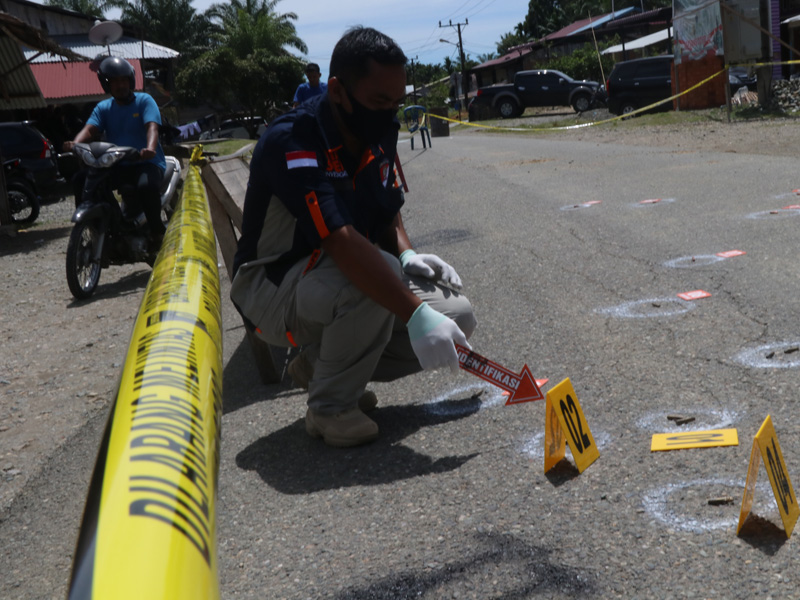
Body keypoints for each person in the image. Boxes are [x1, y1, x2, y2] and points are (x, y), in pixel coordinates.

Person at [230, 26, 477, 448]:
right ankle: (329, 409)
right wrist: (415, 313)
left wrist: (406, 253)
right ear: (338, 91)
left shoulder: (378, 129)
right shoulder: (294, 140)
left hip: (328, 281)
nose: (389, 114)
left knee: (458, 316)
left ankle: (319, 366)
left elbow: (386, 208)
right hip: (271, 291)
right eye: (379, 101)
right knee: (371, 281)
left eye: (396, 102)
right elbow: (340, 242)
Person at [64, 56, 167, 244]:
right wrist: (75, 143)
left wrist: (150, 148)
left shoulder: (145, 100)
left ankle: (157, 230)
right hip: (117, 163)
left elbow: (152, 127)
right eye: (115, 82)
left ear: (130, 80)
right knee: (81, 179)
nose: (120, 85)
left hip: (146, 162)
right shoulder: (103, 108)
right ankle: (94, 225)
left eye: (123, 80)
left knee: (146, 186)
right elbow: (89, 129)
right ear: (107, 85)